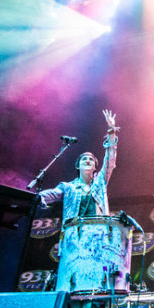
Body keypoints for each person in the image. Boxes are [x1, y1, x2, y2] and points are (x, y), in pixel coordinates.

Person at [39, 110, 122, 292]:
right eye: (84, 159)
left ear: (95, 168)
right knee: (66, 284)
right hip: (73, 238)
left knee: (92, 283)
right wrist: (34, 197)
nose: (87, 161)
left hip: (97, 237)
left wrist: (111, 131)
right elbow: (50, 194)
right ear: (77, 166)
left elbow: (110, 159)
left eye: (91, 160)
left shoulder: (100, 183)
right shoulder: (67, 187)